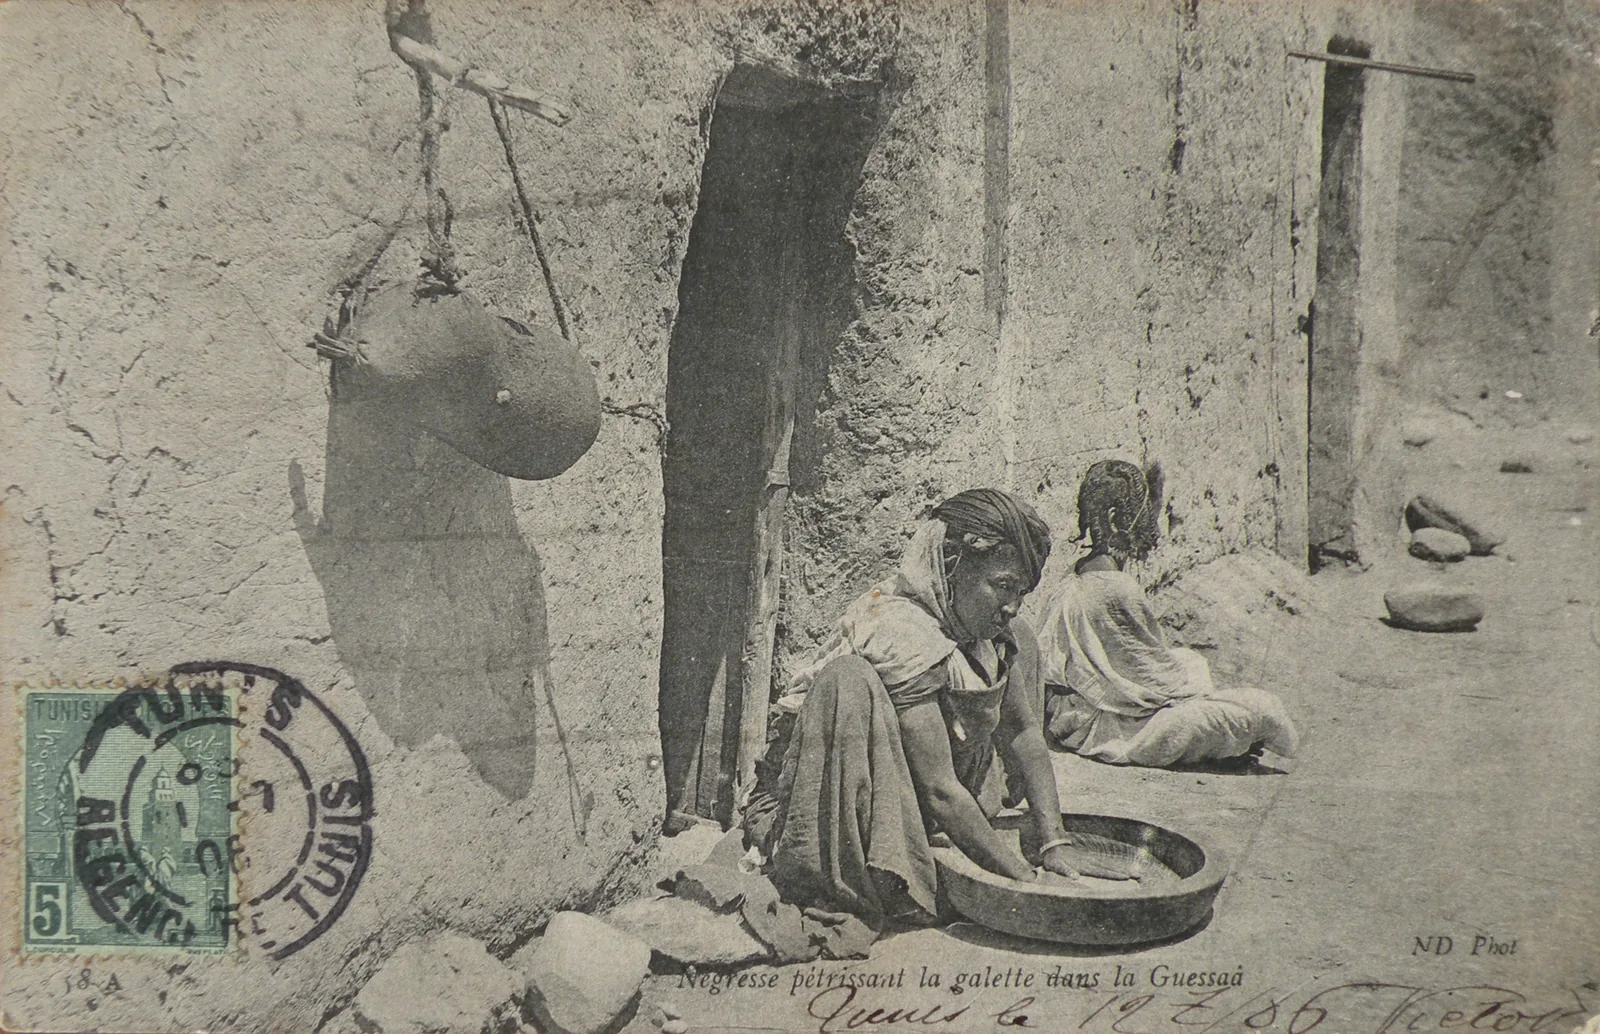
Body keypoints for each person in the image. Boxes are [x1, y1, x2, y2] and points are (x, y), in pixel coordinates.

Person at [742, 489, 1077, 927]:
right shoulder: (899, 630)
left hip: (923, 794)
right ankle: (867, 864)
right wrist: (1026, 880)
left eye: (1021, 590)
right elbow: (939, 789)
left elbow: (1022, 732)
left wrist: (1056, 844)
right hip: (832, 801)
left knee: (1022, 639)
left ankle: (928, 844)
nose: (1011, 605)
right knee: (849, 678)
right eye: (1002, 586)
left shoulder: (979, 624)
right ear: (952, 567)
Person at [1036, 460, 1300, 768]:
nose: (1152, 530)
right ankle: (1231, 747)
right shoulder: (1117, 588)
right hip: (1103, 726)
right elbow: (1157, 684)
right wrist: (1187, 692)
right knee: (1261, 709)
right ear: (1114, 521)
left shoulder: (1076, 572)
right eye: (1144, 516)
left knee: (1191, 663)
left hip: (1073, 713)